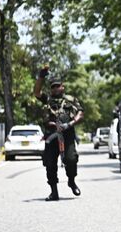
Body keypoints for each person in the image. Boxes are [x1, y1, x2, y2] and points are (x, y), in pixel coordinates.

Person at [34, 66, 84, 201]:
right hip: (51, 135)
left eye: (58, 86)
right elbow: (37, 92)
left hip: (67, 135)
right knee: (50, 164)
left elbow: (80, 113)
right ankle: (54, 191)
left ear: (63, 87)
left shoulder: (70, 99)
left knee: (71, 159)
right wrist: (41, 77)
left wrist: (70, 124)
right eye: (53, 87)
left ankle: (71, 181)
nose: (55, 88)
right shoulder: (47, 100)